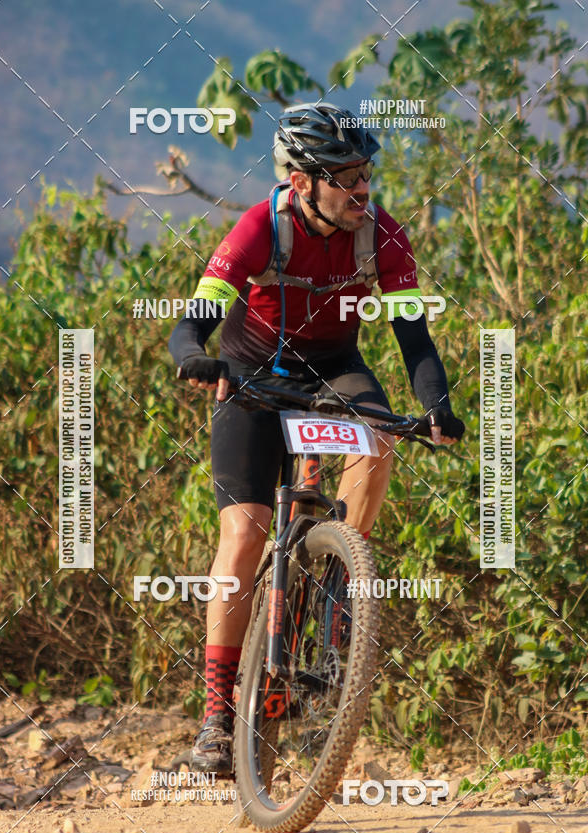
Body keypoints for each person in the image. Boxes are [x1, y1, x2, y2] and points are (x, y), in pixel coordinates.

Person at [168, 102, 464, 774]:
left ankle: (336, 580)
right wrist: (193, 357)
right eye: (346, 176)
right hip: (249, 374)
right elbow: (192, 323)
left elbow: (413, 335)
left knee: (379, 440)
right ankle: (217, 717)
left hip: (334, 368)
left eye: (366, 172)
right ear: (303, 182)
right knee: (243, 535)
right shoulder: (258, 228)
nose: (363, 189)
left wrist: (437, 406)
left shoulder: (381, 234)